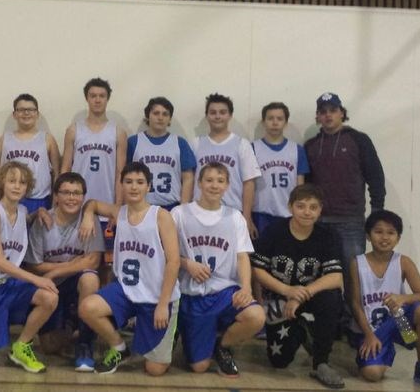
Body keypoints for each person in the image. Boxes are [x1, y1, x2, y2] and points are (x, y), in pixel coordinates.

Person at [78, 162, 181, 376]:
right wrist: (88, 215)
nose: (134, 187)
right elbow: (93, 203)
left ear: (148, 187)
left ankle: (171, 328)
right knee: (88, 307)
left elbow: (174, 262)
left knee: (154, 370)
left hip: (157, 297)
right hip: (127, 291)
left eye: (140, 182)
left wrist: (163, 304)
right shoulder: (118, 212)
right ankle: (119, 348)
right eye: (129, 182)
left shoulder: (160, 216)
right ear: (122, 185)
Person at [0, 162, 59, 373]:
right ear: (1, 184)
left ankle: (21, 346)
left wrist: (40, 211)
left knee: (49, 297)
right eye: (12, 181)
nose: (17, 186)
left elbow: (24, 220)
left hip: (6, 286)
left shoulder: (23, 211)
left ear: (28, 188)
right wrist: (36, 279)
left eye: (22, 182)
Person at [173, 163, 265, 376]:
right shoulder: (179, 213)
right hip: (193, 296)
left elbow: (242, 257)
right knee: (199, 367)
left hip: (224, 293)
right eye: (209, 180)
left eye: (220, 181)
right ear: (199, 183)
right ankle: (190, 334)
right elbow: (166, 254)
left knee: (256, 315)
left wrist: (246, 289)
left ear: (227, 185)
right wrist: (188, 264)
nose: (214, 185)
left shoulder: (235, 217)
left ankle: (221, 345)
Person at [251, 184, 345, 389]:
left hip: (310, 297)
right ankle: (302, 329)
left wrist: (300, 294)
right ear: (290, 206)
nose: (307, 212)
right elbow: (257, 270)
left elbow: (336, 277)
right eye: (301, 206)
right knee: (279, 361)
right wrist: (287, 291)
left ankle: (321, 362)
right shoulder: (274, 231)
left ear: (320, 210)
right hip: (278, 296)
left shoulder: (327, 236)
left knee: (331, 298)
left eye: (313, 207)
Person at [349, 210, 420, 390]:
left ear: (398, 238)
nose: (385, 237)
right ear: (368, 235)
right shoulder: (357, 263)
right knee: (372, 375)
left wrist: (403, 298)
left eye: (391, 232)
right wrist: (369, 335)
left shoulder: (403, 262)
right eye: (378, 232)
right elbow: (355, 303)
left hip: (401, 323)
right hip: (373, 329)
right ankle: (384, 349)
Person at [25, 172, 105, 371]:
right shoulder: (43, 221)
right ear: (56, 196)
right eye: (66, 192)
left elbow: (93, 261)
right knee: (50, 346)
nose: (71, 198)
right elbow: (34, 266)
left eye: (77, 193)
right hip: (51, 286)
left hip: (76, 282)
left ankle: (85, 343)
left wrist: (55, 269)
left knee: (89, 279)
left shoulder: (89, 220)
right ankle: (72, 324)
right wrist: (67, 266)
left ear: (83, 197)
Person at [304, 92, 385, 270]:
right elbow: (305, 187)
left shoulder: (359, 140)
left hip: (351, 223)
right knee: (318, 275)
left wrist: (377, 212)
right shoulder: (310, 146)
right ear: (318, 116)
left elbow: (375, 176)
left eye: (333, 110)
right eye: (323, 111)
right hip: (318, 222)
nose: (328, 115)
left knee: (353, 276)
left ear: (342, 112)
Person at [61, 78, 127, 273]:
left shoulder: (118, 132)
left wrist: (118, 207)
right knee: (78, 262)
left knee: (107, 264)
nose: (97, 100)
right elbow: (65, 169)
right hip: (77, 205)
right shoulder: (74, 130)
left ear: (108, 99)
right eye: (93, 96)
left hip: (107, 206)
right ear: (86, 99)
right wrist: (60, 202)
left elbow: (120, 173)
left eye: (102, 96)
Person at [193, 93, 261, 238]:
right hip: (200, 212)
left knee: (231, 258)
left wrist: (247, 217)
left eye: (222, 112)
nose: (217, 116)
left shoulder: (242, 144)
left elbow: (249, 182)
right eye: (213, 112)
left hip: (231, 212)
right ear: (207, 116)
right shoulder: (196, 143)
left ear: (230, 116)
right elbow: (188, 179)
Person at [0, 93, 60, 214]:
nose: (26, 113)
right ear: (14, 114)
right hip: (8, 202)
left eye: (31, 110)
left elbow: (57, 174)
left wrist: (55, 203)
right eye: (21, 110)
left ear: (37, 114)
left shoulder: (47, 139)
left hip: (39, 201)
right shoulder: (5, 138)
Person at [252, 102, 310, 236]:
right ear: (263, 122)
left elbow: (300, 187)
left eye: (279, 118)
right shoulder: (253, 148)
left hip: (288, 213)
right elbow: (248, 184)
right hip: (260, 213)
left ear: (286, 123)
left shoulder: (297, 150)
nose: (275, 122)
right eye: (270, 118)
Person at [126, 97, 195, 210]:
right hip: (141, 206)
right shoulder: (134, 142)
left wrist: (183, 207)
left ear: (170, 119)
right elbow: (124, 176)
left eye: (165, 114)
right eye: (156, 113)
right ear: (148, 116)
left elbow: (188, 177)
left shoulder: (180, 143)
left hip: (171, 206)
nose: (160, 117)